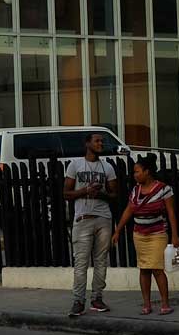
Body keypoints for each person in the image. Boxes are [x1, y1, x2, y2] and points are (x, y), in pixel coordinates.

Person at [62, 131, 119, 318]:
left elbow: (115, 195)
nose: (101, 144)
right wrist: (86, 190)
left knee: (101, 261)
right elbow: (66, 193)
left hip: (103, 218)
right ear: (87, 144)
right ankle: (78, 300)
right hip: (83, 219)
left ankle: (97, 298)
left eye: (102, 141)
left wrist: (101, 194)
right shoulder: (75, 165)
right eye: (97, 141)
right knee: (81, 263)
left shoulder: (107, 167)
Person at [113, 155, 179, 316]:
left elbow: (171, 213)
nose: (134, 175)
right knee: (144, 269)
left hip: (157, 234)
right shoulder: (135, 190)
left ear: (147, 171)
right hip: (139, 234)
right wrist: (118, 230)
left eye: (137, 171)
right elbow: (129, 210)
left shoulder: (164, 189)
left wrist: (175, 235)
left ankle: (164, 303)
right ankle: (147, 304)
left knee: (157, 268)